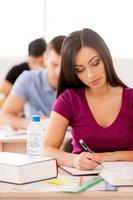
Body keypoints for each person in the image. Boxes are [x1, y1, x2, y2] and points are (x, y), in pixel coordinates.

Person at [44, 28, 133, 170]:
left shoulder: (130, 99)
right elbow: (46, 150)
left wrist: (109, 156)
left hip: (126, 185)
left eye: (95, 63)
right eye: (80, 70)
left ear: (106, 57)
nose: (90, 75)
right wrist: (73, 160)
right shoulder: (69, 100)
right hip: (82, 184)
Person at [0, 35, 66, 130]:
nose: (59, 72)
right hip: (36, 139)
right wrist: (29, 123)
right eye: (54, 65)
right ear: (45, 58)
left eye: (64, 66)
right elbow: (3, 116)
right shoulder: (28, 79)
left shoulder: (77, 82)